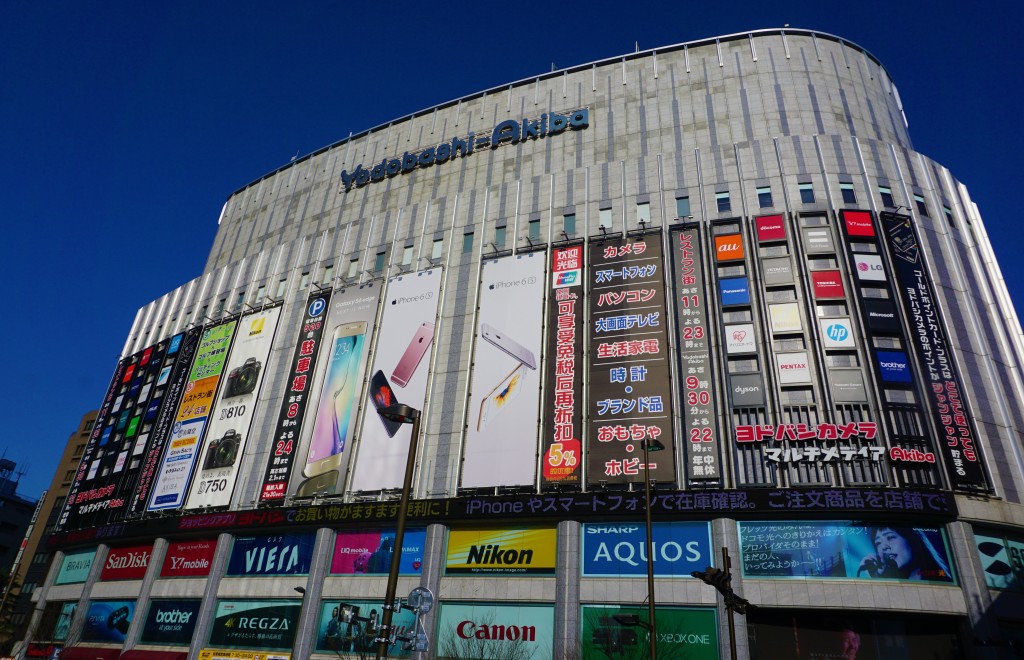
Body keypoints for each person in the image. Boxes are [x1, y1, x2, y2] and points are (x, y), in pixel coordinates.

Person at [857, 526, 952, 581]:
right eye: (878, 543)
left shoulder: (942, 579)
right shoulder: (887, 578)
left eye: (890, 537)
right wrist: (874, 575)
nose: (884, 547)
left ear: (912, 540)